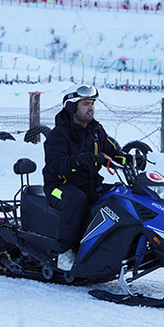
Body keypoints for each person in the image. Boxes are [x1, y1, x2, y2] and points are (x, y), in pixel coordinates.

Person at [42, 85, 125, 271]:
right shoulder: (58, 135)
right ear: (72, 107)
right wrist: (79, 161)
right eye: (86, 104)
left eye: (93, 104)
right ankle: (65, 252)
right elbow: (55, 165)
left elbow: (113, 151)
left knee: (119, 195)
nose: (91, 108)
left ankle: (112, 247)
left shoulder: (96, 130)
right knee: (76, 199)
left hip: (89, 184)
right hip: (58, 186)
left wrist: (129, 159)